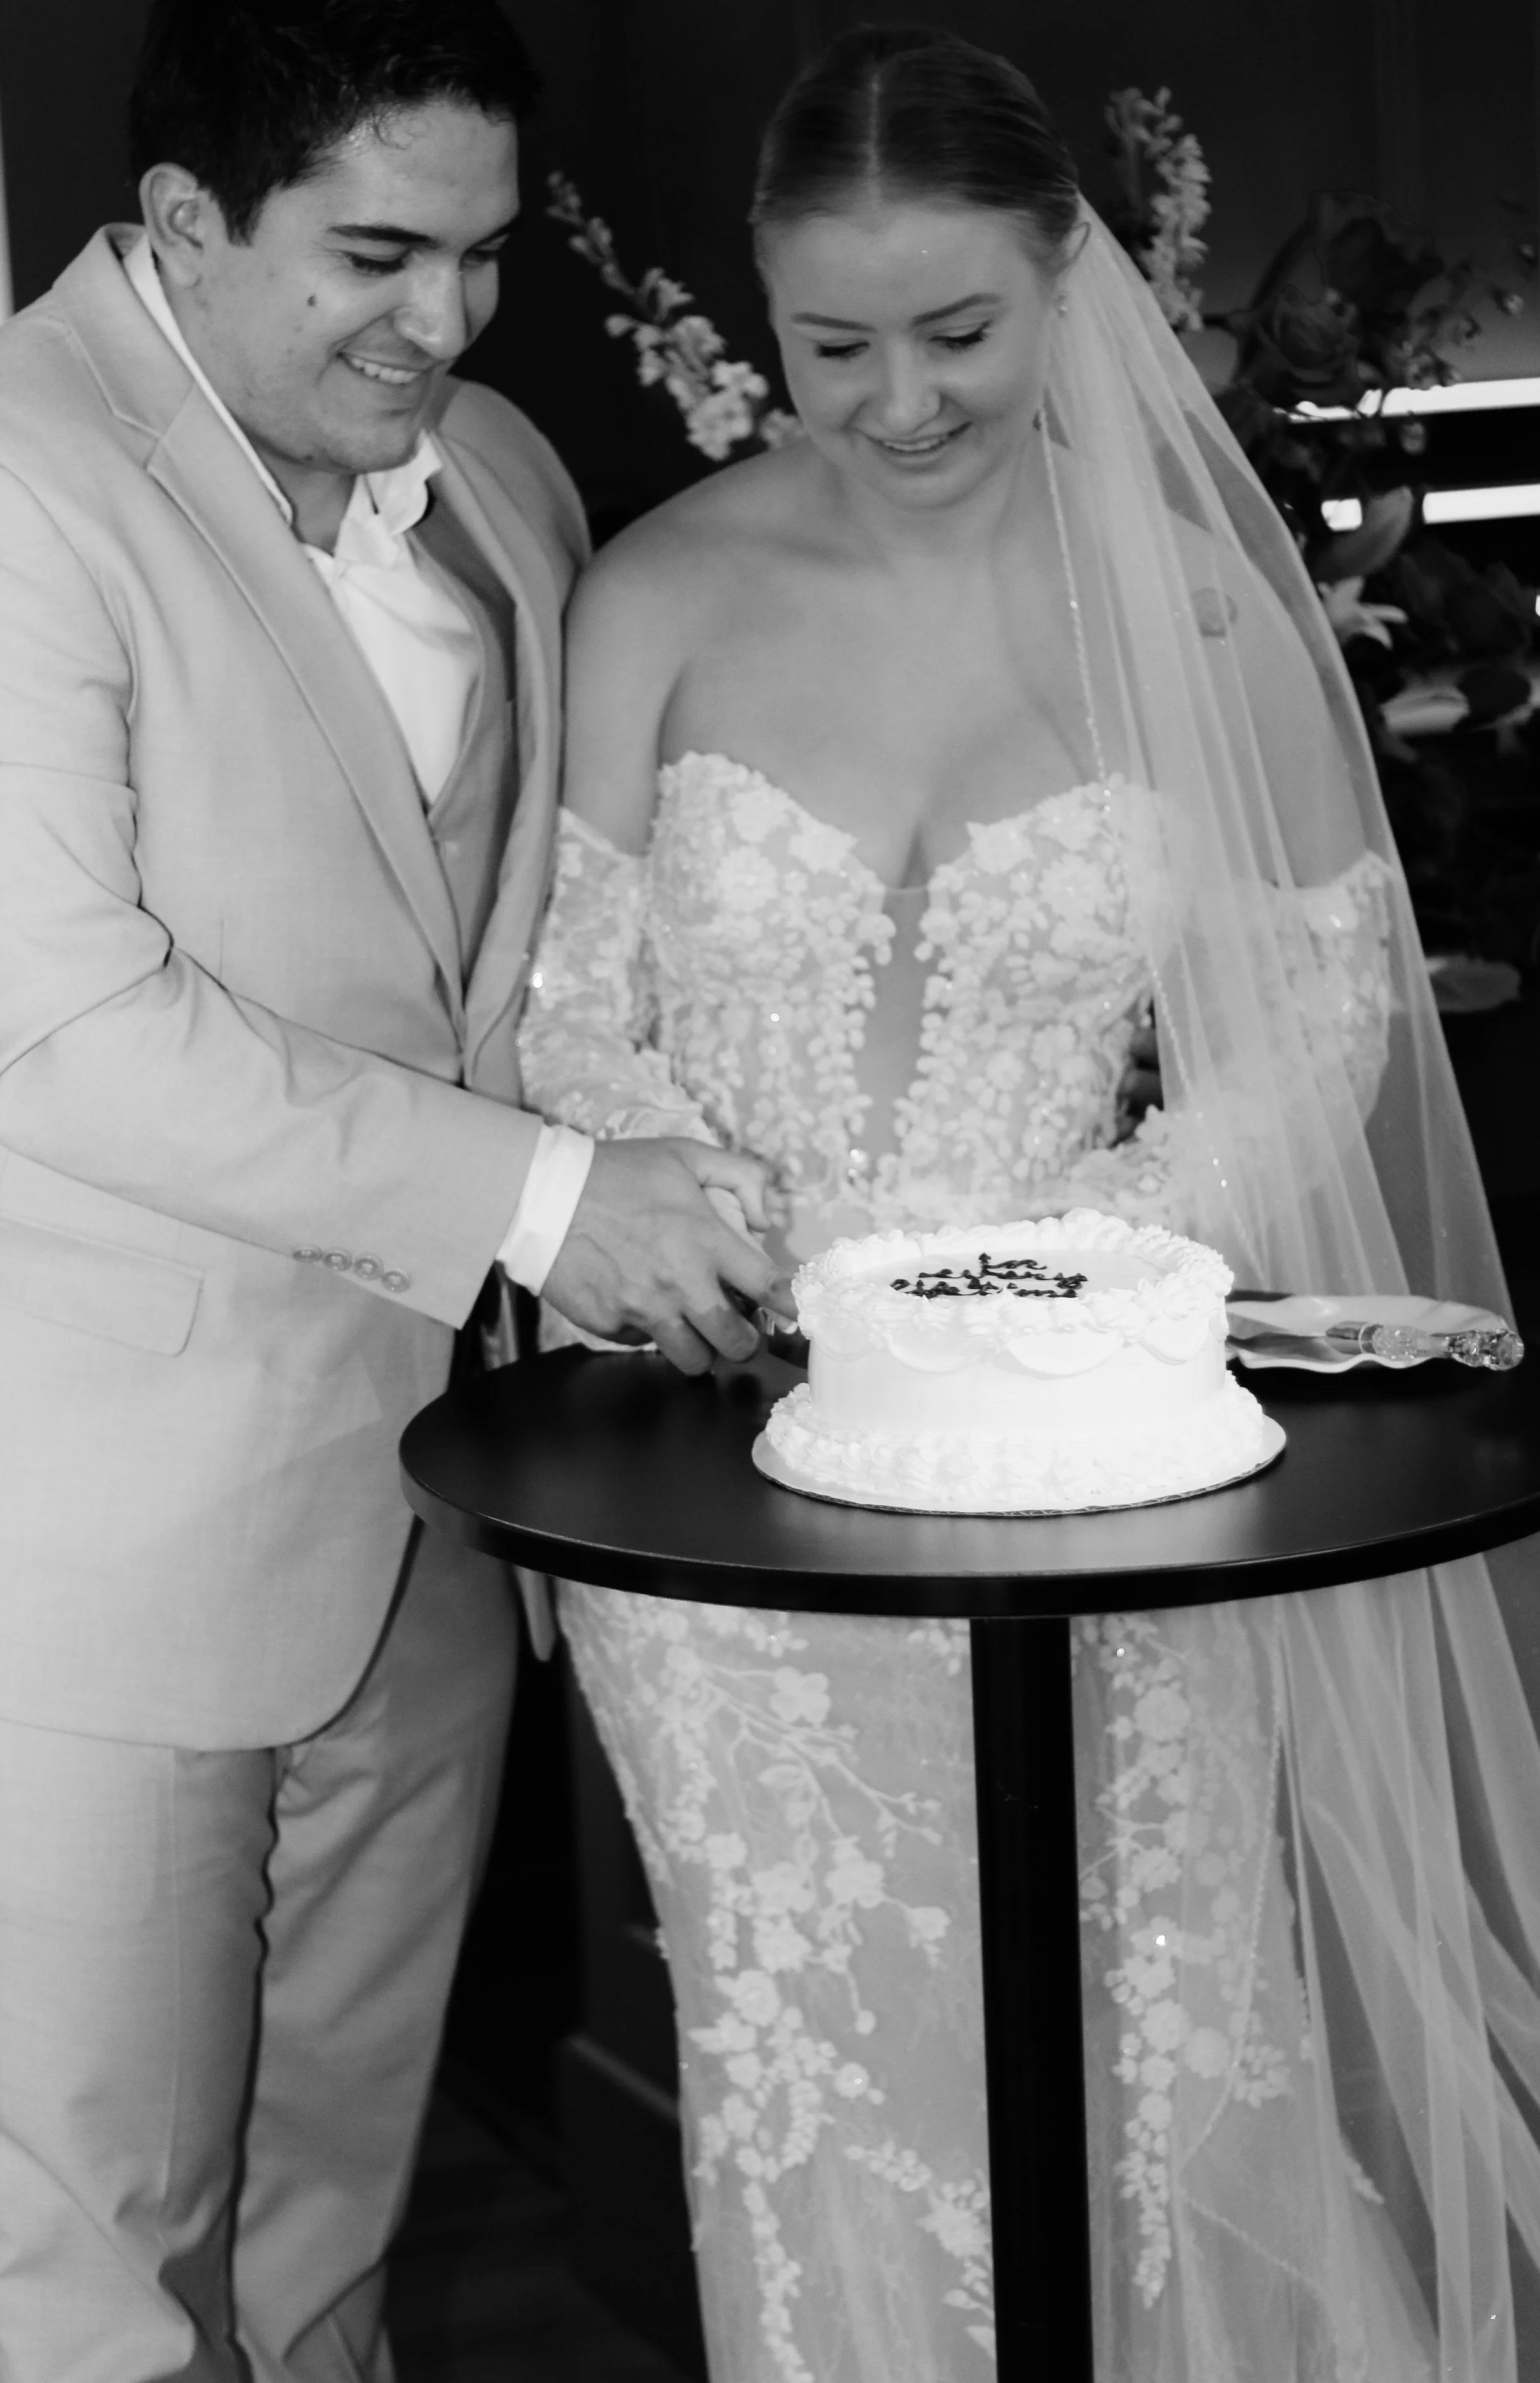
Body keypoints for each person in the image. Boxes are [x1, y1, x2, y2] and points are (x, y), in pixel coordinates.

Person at [518, 25, 1540, 2382]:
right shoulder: (659, 590)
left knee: (1146, 2024)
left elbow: (1320, 1012)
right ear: (762, 314)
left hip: (1093, 1449)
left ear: (1064, 285)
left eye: (958, 332)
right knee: (813, 2064)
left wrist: (1062, 1268)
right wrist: (706, 1227)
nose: (895, 399)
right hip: (738, 1486)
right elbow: (568, 1016)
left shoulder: (1198, 621)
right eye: (831, 344)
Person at [0, 3, 786, 2375]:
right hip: (101, 1526)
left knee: (327, 2211)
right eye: (372, 254)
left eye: (481, 255)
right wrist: (552, 1198)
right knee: (94, 2243)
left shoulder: (508, 475)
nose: (440, 319)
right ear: (179, 225)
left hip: (437, 1500)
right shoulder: (22, 483)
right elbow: (55, 1021)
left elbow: (536, 941)